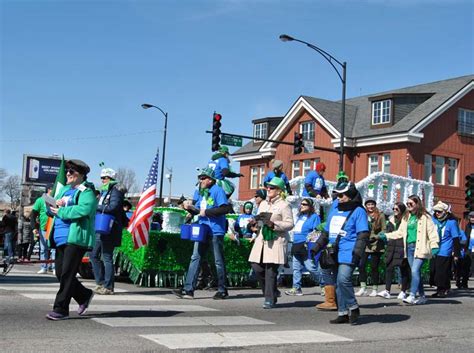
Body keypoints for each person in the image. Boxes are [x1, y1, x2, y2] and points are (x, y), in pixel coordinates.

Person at [46, 159, 98, 321]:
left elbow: (84, 210)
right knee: (60, 274)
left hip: (75, 238)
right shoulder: (64, 190)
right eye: (67, 170)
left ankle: (61, 309)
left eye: (72, 171)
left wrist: (61, 210)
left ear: (81, 175)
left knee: (67, 274)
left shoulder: (86, 192)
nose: (68, 173)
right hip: (60, 238)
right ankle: (84, 295)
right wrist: (52, 205)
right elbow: (52, 210)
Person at [311, 181, 369, 325]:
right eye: (337, 194)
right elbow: (326, 232)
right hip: (334, 251)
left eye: (342, 195)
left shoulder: (359, 211)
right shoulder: (335, 208)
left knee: (343, 279)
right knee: (337, 283)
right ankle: (343, 312)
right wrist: (316, 248)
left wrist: (358, 252)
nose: (339, 197)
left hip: (349, 250)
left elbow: (363, 234)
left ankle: (353, 307)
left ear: (350, 195)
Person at [174, 167, 232, 300]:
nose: (201, 180)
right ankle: (188, 290)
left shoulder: (217, 191)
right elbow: (198, 210)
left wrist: (206, 213)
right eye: (200, 178)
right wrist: (189, 207)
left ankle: (222, 289)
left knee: (218, 261)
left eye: (203, 178)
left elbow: (225, 209)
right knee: (195, 257)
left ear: (211, 180)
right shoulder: (202, 192)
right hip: (202, 229)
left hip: (216, 230)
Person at [381, 195, 439, 305]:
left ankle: (412, 295)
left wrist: (434, 245)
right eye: (407, 204)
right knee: (415, 272)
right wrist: (387, 236)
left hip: (420, 247)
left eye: (411, 203)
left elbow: (432, 232)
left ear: (417, 204)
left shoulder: (425, 217)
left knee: (414, 271)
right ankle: (422, 296)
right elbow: (400, 232)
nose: (409, 206)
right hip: (409, 248)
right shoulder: (406, 217)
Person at [248, 177, 294, 309]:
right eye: (268, 187)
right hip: (262, 240)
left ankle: (269, 298)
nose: (268, 189)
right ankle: (272, 291)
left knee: (270, 271)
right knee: (256, 266)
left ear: (279, 191)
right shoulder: (263, 204)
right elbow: (261, 221)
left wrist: (274, 224)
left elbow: (290, 224)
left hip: (276, 241)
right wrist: (255, 223)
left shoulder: (284, 205)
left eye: (272, 187)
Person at [90, 168, 126, 295]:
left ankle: (108, 286)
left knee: (106, 257)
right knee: (93, 255)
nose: (102, 180)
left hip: (109, 227)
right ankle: (100, 283)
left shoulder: (115, 190)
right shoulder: (105, 191)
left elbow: (113, 207)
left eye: (104, 178)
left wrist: (96, 207)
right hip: (101, 226)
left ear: (111, 178)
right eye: (101, 178)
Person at [285, 198, 321, 296]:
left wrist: (308, 241)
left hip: (306, 245)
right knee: (296, 268)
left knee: (311, 267)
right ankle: (296, 288)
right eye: (301, 204)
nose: (301, 206)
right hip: (296, 245)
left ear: (310, 206)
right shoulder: (299, 217)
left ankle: (325, 285)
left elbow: (317, 231)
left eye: (304, 204)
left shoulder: (314, 217)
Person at [378, 202, 411, 299]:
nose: (394, 211)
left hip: (402, 246)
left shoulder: (406, 220)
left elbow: (402, 233)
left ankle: (403, 291)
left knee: (403, 269)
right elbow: (388, 231)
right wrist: (385, 237)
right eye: (394, 209)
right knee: (389, 268)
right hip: (392, 246)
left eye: (397, 209)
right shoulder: (391, 220)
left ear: (402, 209)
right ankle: (387, 290)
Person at [355, 199, 386, 297]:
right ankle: (363, 287)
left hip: (376, 244)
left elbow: (384, 229)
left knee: (374, 267)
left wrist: (376, 237)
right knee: (361, 265)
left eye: (372, 204)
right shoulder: (364, 215)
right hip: (365, 243)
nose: (370, 206)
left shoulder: (380, 215)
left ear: (375, 205)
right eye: (368, 204)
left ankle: (374, 288)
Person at [430, 201, 460, 298]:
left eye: (439, 211)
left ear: (445, 212)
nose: (437, 213)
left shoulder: (452, 223)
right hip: (434, 249)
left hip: (445, 250)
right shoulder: (433, 220)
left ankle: (441, 290)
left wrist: (456, 254)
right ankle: (445, 287)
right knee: (433, 270)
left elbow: (456, 239)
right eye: (435, 211)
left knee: (441, 271)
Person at [31, 184, 55, 274]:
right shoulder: (40, 200)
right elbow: (33, 214)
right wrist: (34, 227)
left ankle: (54, 267)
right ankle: (43, 267)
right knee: (43, 249)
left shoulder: (56, 199)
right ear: (49, 190)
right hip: (44, 228)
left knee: (54, 249)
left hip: (53, 228)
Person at [457, 211, 474, 288]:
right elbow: (466, 238)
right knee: (466, 267)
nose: (472, 219)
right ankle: (464, 283)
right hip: (468, 249)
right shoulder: (468, 226)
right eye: (471, 217)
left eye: (473, 217)